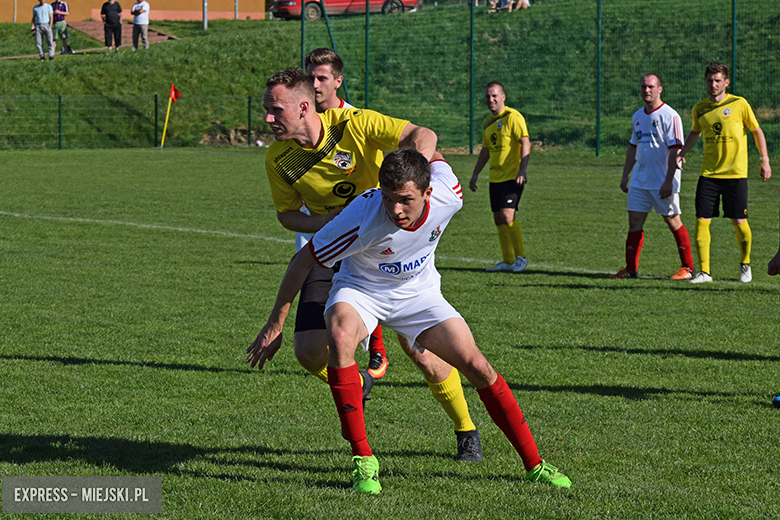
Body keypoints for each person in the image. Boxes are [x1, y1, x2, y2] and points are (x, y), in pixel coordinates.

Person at [247, 149, 571, 494]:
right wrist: (274, 324)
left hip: (419, 294)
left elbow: (433, 149)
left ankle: (535, 465)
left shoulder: (450, 195)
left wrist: (421, 140)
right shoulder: (362, 216)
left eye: (405, 200)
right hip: (362, 291)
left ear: (428, 192)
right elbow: (303, 260)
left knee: (478, 366)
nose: (395, 210)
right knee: (340, 336)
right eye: (388, 199)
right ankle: (364, 460)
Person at [253, 67, 483, 463]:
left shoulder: (355, 123)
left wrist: (412, 181)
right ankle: (356, 381)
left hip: (388, 249)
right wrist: (334, 223)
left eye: (275, 111)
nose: (268, 120)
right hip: (337, 251)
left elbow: (423, 136)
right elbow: (288, 216)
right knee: (308, 351)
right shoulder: (280, 158)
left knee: (423, 353)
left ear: (304, 107)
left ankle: (466, 429)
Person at [303, 48, 390, 381]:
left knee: (364, 287)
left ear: (338, 81)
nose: (314, 83)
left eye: (321, 77)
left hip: (366, 228)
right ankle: (351, 381)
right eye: (309, 75)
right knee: (317, 332)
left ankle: (377, 345)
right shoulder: (303, 119)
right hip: (322, 224)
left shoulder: (357, 121)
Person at [676, 62, 772, 284]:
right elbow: (695, 132)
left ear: (726, 82)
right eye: (710, 80)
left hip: (735, 174)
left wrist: (764, 159)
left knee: (739, 221)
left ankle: (745, 264)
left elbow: (757, 131)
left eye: (718, 80)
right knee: (702, 220)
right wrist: (682, 152)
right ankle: (705, 272)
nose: (713, 84)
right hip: (709, 174)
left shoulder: (739, 104)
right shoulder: (700, 108)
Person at [610, 74, 695, 280]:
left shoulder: (670, 116)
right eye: (643, 87)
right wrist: (625, 176)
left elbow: (676, 150)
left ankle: (688, 268)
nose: (646, 90)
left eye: (650, 87)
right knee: (634, 222)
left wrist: (668, 180)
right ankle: (630, 270)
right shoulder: (638, 116)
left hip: (663, 180)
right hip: (640, 180)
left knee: (673, 221)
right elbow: (633, 147)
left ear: (660, 89)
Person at [469, 81, 530, 273]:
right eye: (488, 96)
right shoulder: (487, 122)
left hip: (513, 176)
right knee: (498, 219)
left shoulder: (514, 117)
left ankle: (521, 258)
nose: (491, 99)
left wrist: (523, 169)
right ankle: (508, 260)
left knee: (507, 214)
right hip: (495, 178)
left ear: (503, 97)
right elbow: (486, 150)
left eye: (494, 96)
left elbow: (525, 142)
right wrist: (475, 174)